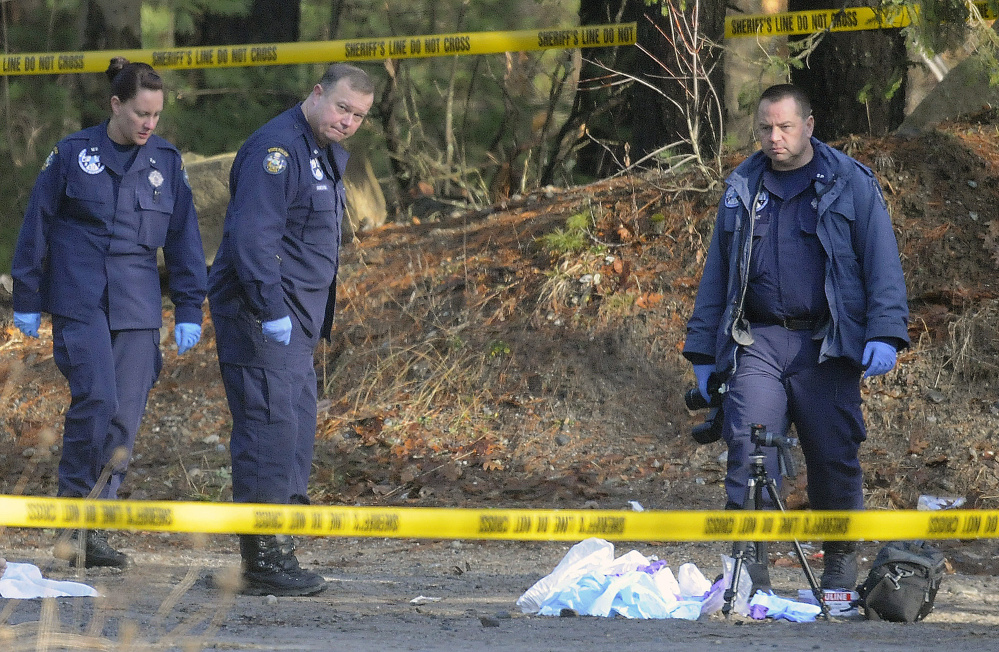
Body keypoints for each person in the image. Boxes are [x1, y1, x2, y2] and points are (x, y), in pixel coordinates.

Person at [683, 84, 909, 592]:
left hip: (826, 346)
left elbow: (882, 262)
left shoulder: (849, 181)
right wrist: (702, 349)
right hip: (757, 340)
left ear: (809, 125)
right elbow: (717, 272)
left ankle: (839, 569)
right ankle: (749, 571)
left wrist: (886, 333)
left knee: (833, 454)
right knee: (749, 448)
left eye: (785, 127)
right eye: (765, 127)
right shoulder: (743, 186)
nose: (774, 137)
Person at [11, 57, 208, 568]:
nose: (149, 124)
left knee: (124, 420)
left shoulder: (166, 161)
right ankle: (71, 524)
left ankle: (96, 527)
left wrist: (189, 305)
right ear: (116, 104)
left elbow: (185, 239)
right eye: (141, 112)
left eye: (157, 115)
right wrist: (29, 297)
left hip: (137, 303)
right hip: (79, 298)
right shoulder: (74, 154)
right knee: (96, 402)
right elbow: (37, 224)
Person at [207, 63, 375, 596]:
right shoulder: (276, 150)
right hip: (261, 314)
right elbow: (252, 239)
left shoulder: (318, 150)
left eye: (359, 116)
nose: (349, 121)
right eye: (343, 108)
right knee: (269, 431)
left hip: (295, 320)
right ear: (317, 92)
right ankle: (263, 560)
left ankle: (280, 547)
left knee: (294, 431)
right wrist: (271, 308)